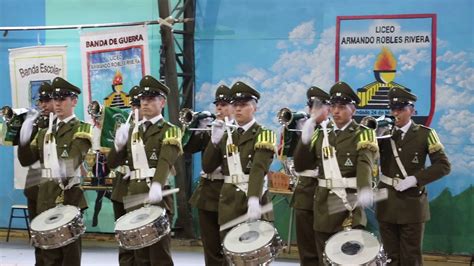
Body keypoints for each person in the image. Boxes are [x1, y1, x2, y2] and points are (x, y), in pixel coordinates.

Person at [293, 81, 378, 265]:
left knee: (349, 259)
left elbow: (364, 163)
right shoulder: (322, 134)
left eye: (342, 107)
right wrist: (305, 140)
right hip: (323, 207)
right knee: (324, 257)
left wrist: (364, 188)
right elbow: (301, 166)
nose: (336, 111)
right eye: (333, 107)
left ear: (353, 110)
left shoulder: (363, 134)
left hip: (350, 207)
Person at [108, 75, 182, 266]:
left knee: (159, 254)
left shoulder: (170, 130)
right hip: (134, 195)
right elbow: (112, 163)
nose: (145, 103)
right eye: (143, 99)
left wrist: (157, 183)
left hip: (158, 195)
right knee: (139, 255)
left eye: (151, 99)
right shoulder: (133, 130)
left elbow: (166, 159)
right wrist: (118, 145)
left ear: (162, 102)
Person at [18, 77, 92, 266]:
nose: (57, 103)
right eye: (55, 99)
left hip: (67, 196)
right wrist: (24, 138)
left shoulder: (81, 129)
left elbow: (73, 161)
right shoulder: (44, 133)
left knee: (69, 255)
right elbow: (27, 160)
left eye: (63, 99)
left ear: (74, 101)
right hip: (45, 196)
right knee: (47, 255)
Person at [376, 87, 451, 266]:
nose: (396, 113)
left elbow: (443, 166)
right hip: (387, 203)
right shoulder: (384, 134)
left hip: (412, 204)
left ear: (412, 110)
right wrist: (375, 136)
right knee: (389, 257)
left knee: (411, 257)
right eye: (393, 109)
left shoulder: (426, 134)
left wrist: (415, 179)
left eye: (401, 109)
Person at [202, 81, 276, 239]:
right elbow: (208, 167)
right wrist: (214, 142)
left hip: (254, 200)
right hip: (229, 204)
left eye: (243, 104)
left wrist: (254, 198)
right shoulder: (226, 134)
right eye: (235, 105)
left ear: (255, 107)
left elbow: (258, 169)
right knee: (228, 256)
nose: (238, 109)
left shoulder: (264, 134)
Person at [186, 85, 233, 265]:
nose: (219, 108)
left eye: (224, 104)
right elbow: (188, 149)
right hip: (208, 192)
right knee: (211, 246)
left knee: (230, 244)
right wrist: (197, 129)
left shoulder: (238, 130)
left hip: (228, 190)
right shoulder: (211, 129)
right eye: (218, 105)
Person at [290, 86, 330, 266]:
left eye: (319, 105)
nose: (314, 110)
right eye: (312, 105)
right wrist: (304, 137)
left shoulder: (334, 131)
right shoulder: (307, 129)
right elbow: (298, 164)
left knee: (328, 251)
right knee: (307, 252)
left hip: (328, 197)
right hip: (305, 194)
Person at [18, 81, 55, 266]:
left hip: (55, 188)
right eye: (41, 101)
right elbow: (26, 160)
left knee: (54, 241)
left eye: (46, 101)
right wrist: (23, 138)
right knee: (38, 239)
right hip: (34, 186)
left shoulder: (61, 124)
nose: (43, 105)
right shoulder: (35, 123)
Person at [109, 85, 141, 266]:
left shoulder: (155, 130)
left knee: (140, 240)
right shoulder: (125, 130)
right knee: (124, 241)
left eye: (138, 104)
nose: (135, 109)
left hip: (141, 189)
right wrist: (117, 146)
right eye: (133, 105)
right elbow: (112, 163)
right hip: (121, 189)